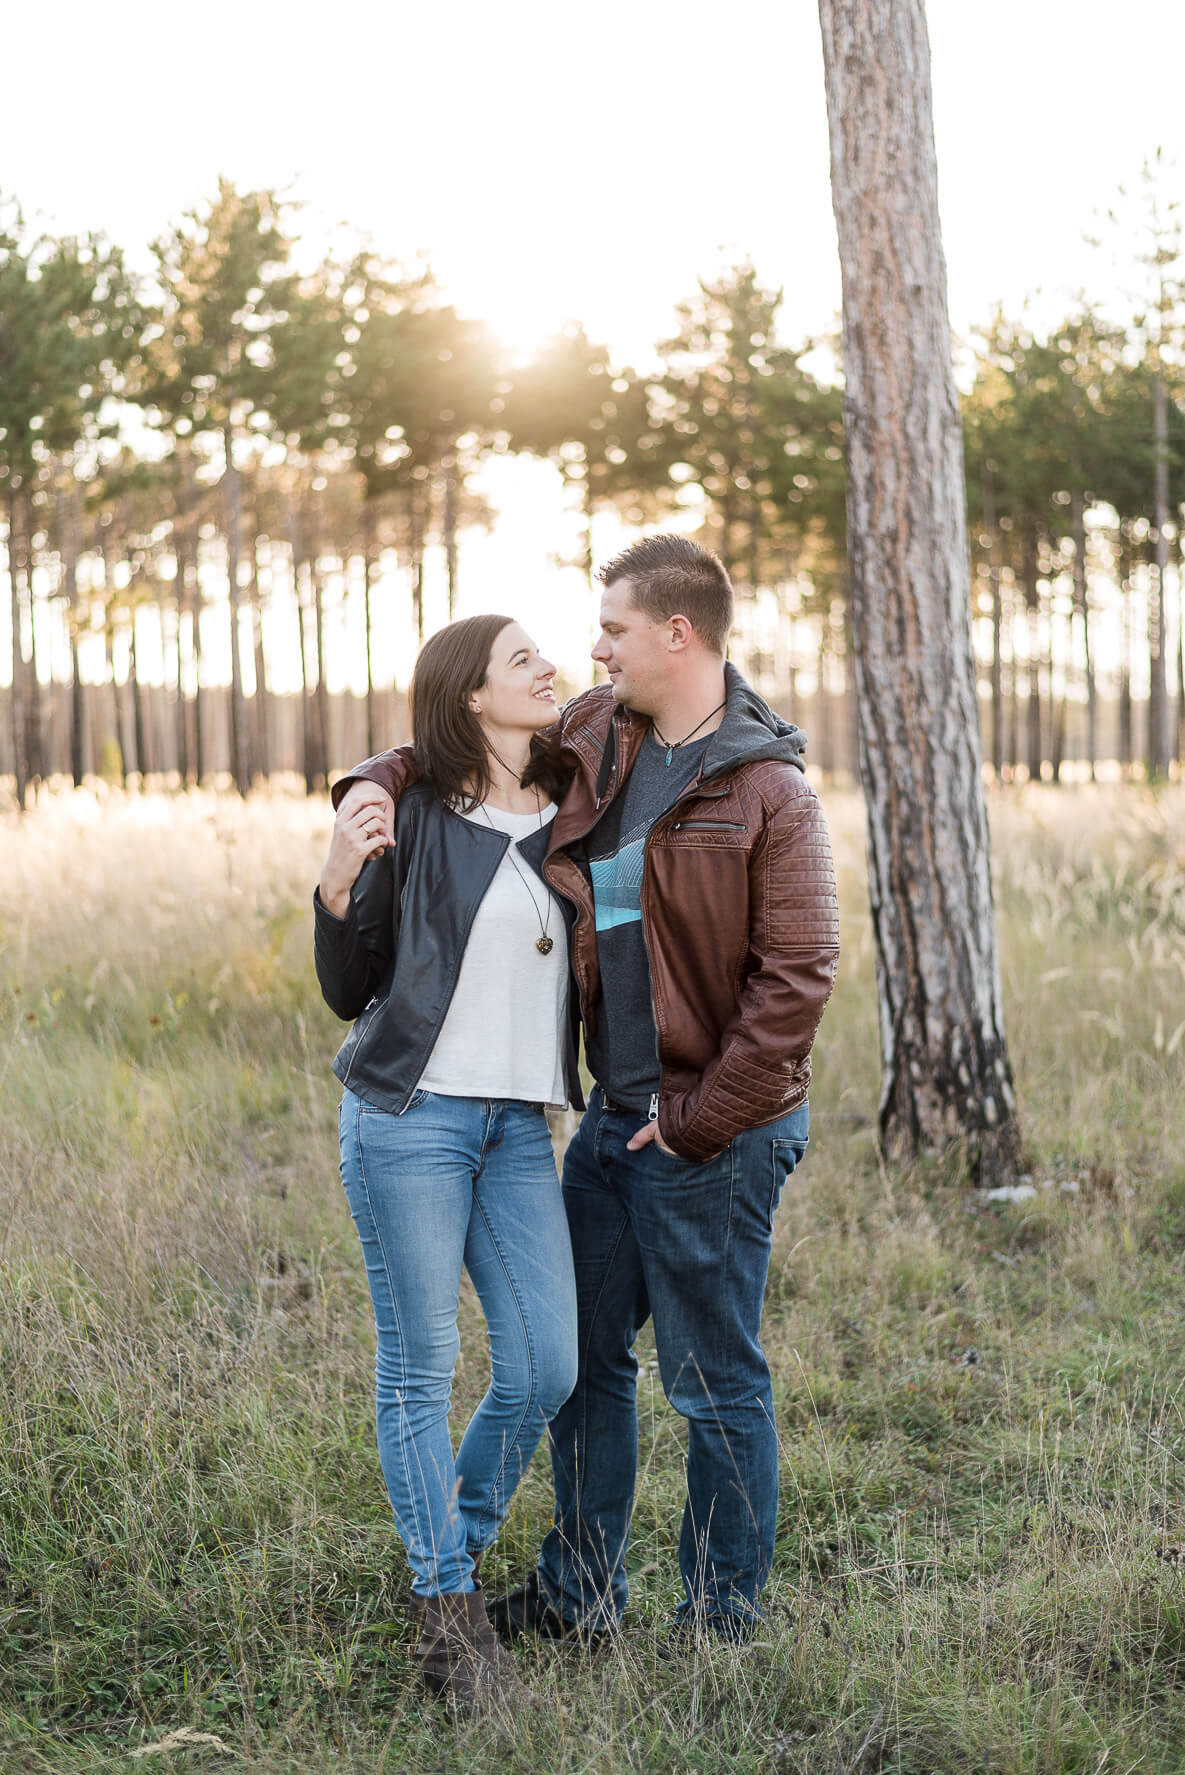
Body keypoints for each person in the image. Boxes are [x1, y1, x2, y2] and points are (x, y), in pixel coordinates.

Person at [334, 534, 839, 1647]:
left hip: (714, 1127)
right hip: (605, 1119)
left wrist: (698, 1120)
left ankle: (718, 1619)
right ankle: (581, 1594)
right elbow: (447, 737)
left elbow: (798, 981)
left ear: (677, 633)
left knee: (713, 1384)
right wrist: (363, 788)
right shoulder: (599, 732)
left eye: (612, 629)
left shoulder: (769, 789)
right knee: (579, 1365)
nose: (591, 648)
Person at [313, 614, 580, 1717]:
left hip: (521, 1125)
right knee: (420, 1363)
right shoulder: (416, 814)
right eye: (522, 658)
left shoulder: (579, 810)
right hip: (410, 1114)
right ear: (472, 695)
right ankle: (449, 1609)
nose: (548, 667)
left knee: (542, 1366)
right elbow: (347, 983)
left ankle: (448, 1553)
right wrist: (339, 867)